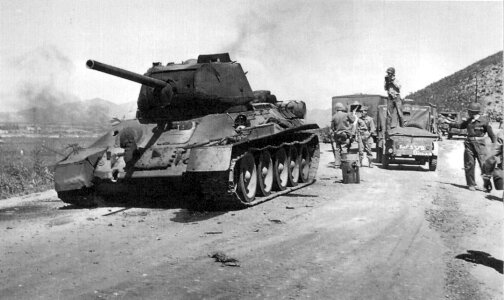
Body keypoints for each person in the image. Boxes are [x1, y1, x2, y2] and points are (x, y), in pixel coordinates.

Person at [448, 103, 496, 191]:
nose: (468, 112)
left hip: (480, 145)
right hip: (469, 144)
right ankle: (471, 184)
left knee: (484, 165)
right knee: (469, 164)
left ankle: (487, 184)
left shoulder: (484, 121)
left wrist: (495, 145)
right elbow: (460, 126)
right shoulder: (469, 121)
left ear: (473, 112)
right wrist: (450, 123)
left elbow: (491, 134)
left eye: (469, 111)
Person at [331, 102, 357, 167]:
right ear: (342, 108)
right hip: (345, 135)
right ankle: (344, 164)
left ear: (336, 109)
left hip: (337, 135)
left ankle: (337, 164)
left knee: (337, 149)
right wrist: (353, 115)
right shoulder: (346, 115)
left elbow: (332, 128)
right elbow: (353, 121)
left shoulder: (334, 116)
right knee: (344, 148)